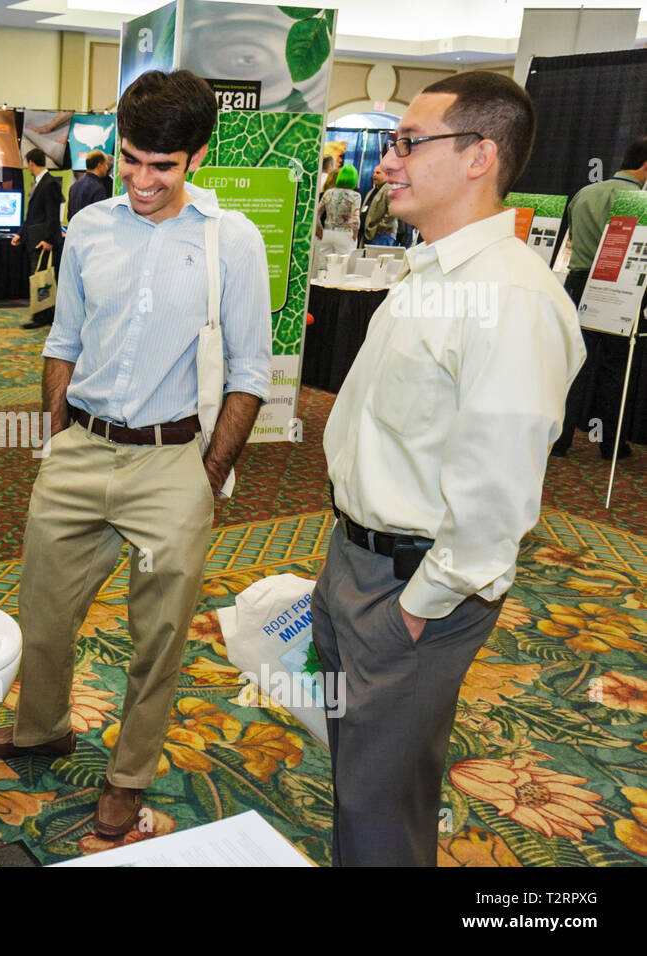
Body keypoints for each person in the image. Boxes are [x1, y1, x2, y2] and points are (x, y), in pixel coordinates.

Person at [0, 69, 272, 840]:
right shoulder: (92, 227)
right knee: (42, 614)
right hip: (80, 451)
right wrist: (54, 438)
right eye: (130, 158)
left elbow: (251, 373)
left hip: (173, 462)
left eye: (161, 166)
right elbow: (63, 342)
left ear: (196, 156)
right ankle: (42, 728)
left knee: (159, 637)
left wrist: (205, 478)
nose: (140, 179)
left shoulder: (230, 239)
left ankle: (129, 774)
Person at [314, 70, 585, 866]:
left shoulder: (510, 298)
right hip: (361, 568)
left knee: (375, 798)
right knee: (373, 782)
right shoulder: (433, 272)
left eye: (408, 142)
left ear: (480, 157)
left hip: (414, 591)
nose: (387, 161)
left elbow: (499, 486)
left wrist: (423, 604)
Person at [551, 136, 647, 459]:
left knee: (576, 360)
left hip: (578, 283)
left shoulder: (584, 193)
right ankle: (610, 443)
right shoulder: (638, 201)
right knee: (614, 367)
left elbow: (573, 240)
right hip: (619, 287)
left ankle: (560, 438)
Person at [13, 147, 64, 330]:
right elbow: (33, 215)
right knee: (40, 278)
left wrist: (50, 240)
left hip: (43, 241)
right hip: (35, 239)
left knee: (43, 279)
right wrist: (21, 233)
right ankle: (43, 314)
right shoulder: (41, 183)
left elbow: (52, 215)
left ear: (31, 163)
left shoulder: (49, 183)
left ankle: (42, 316)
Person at [316, 163, 361, 259]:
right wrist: (355, 236)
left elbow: (316, 213)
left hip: (328, 232)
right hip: (345, 234)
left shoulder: (328, 193)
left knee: (324, 263)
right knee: (343, 264)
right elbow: (355, 219)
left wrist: (319, 228)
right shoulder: (355, 196)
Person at [67, 149, 111, 221]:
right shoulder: (98, 188)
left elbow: (69, 215)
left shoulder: (74, 186)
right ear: (100, 165)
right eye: (106, 164)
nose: (107, 168)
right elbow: (99, 217)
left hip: (74, 229)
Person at [360, 166, 398, 247]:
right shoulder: (372, 190)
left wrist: (380, 227)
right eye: (373, 173)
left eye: (378, 173)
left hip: (382, 235)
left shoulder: (390, 189)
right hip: (368, 234)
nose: (374, 175)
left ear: (387, 175)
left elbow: (393, 211)